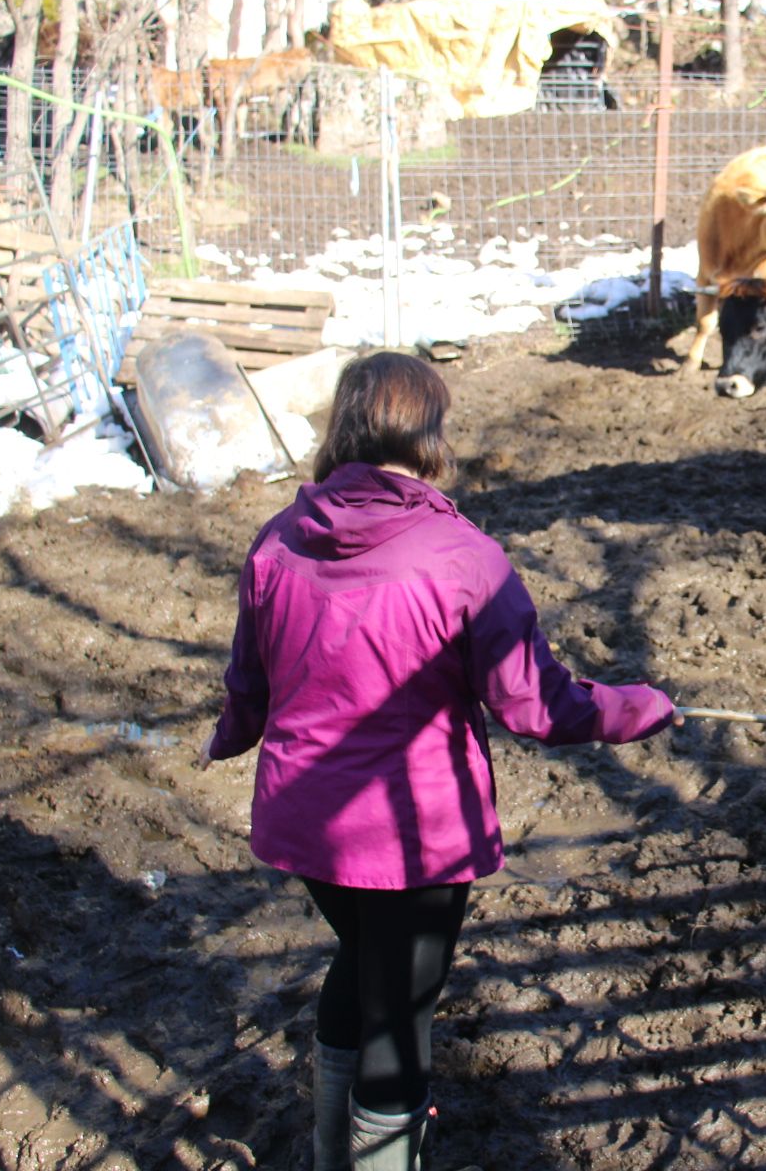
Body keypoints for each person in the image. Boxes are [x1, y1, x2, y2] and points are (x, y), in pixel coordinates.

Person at [197, 352, 677, 1171]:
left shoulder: (277, 539)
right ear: (429, 433)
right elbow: (535, 704)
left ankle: (330, 1156)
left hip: (306, 822)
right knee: (400, 1017)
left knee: (363, 962)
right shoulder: (463, 557)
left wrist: (232, 737)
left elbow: (250, 679)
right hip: (410, 836)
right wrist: (641, 705)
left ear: (345, 426)